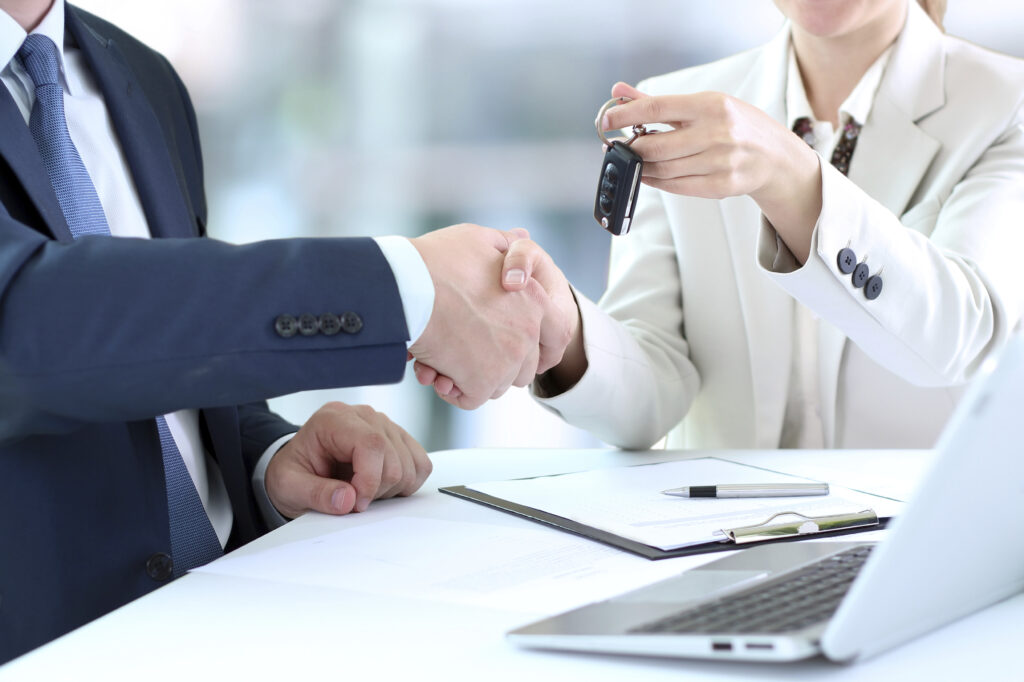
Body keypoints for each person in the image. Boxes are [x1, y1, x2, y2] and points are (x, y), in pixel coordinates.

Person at [0, 0, 567, 663]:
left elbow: (163, 345)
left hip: (236, 626)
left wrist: (267, 461)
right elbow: (27, 319)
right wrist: (407, 288)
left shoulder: (138, 74)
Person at [423, 0, 1024, 451]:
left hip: (915, 554)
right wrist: (566, 331)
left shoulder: (1006, 106)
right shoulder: (681, 106)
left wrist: (788, 174)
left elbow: (959, 336)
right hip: (722, 551)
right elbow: (653, 389)